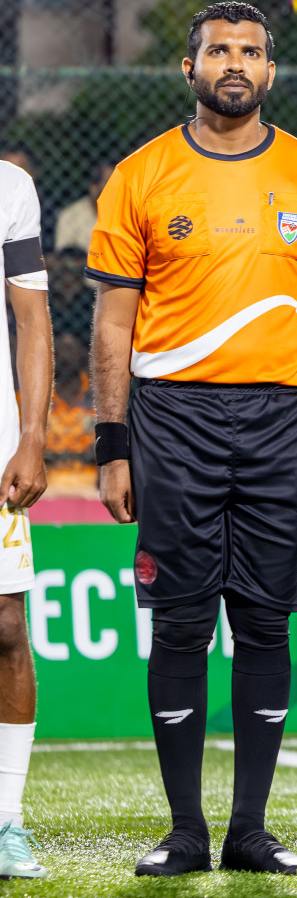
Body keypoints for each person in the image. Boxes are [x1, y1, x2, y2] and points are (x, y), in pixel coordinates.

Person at [86, 1, 297, 877]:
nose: (233, 63)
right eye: (216, 51)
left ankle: (249, 831)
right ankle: (185, 831)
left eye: (250, 52)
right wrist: (112, 443)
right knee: (181, 625)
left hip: (281, 425)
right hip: (173, 424)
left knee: (267, 625)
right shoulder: (143, 174)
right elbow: (112, 323)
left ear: (271, 72)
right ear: (189, 68)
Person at [0, 156, 53, 880]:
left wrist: (33, 437)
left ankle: (6, 819)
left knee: (6, 624)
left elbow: (32, 319)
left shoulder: (10, 186)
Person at [44, 333, 96, 498]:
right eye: (61, 350)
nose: (67, 356)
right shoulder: (37, 401)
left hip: (91, 488)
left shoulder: (97, 400)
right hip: (47, 488)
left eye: (72, 350)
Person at [53, 161, 115, 254]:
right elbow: (63, 260)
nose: (117, 187)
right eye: (109, 182)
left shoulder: (128, 214)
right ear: (93, 186)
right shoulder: (71, 216)